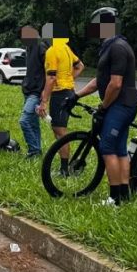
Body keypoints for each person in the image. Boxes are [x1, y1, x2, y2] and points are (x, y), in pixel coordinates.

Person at [69, 7, 137, 206]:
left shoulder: (118, 47)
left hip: (121, 105)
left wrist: (103, 106)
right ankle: (124, 195)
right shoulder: (110, 46)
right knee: (119, 148)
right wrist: (76, 95)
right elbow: (100, 80)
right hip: (120, 105)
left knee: (107, 146)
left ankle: (115, 197)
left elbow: (116, 83)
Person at [36, 22, 85, 176]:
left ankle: (65, 170)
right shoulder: (66, 49)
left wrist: (44, 101)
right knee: (59, 129)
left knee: (60, 131)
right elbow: (80, 66)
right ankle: (64, 167)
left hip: (60, 93)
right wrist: (69, 79)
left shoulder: (52, 51)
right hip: (68, 91)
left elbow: (51, 78)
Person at [18, 25, 48, 159]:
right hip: (28, 89)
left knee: (24, 121)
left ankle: (34, 150)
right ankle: (37, 151)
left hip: (36, 92)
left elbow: (49, 71)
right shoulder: (28, 48)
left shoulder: (41, 47)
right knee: (34, 123)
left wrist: (45, 93)